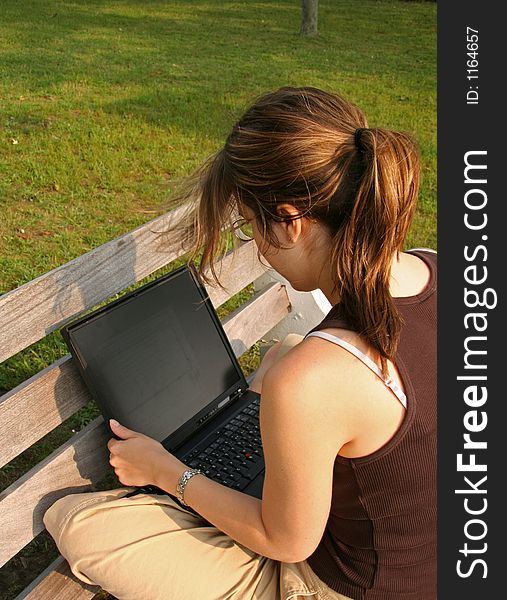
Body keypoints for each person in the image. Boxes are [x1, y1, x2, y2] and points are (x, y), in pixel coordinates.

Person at [43, 86, 436, 600]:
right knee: (280, 356)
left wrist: (168, 472)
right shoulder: (432, 264)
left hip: (341, 587)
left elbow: (287, 541)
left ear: (292, 222)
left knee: (73, 520)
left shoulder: (318, 379)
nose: (255, 243)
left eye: (250, 225)